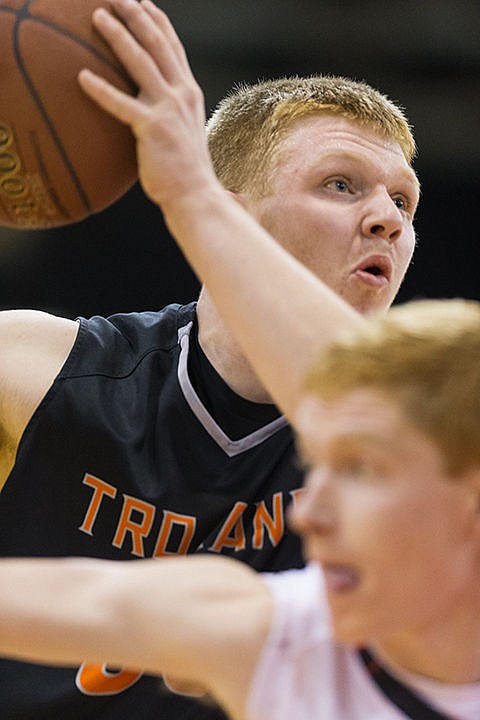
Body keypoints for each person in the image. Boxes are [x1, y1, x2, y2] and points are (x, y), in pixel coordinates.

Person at [0, 0, 419, 718]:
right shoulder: (38, 369)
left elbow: (370, 408)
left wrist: (189, 196)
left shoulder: (432, 423)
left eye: (405, 202)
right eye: (340, 184)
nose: (389, 218)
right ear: (231, 210)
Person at [1, 297, 480, 720]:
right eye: (314, 466)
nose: (305, 514)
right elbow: (98, 602)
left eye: (360, 469)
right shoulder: (281, 634)